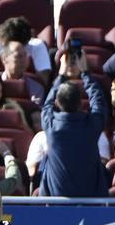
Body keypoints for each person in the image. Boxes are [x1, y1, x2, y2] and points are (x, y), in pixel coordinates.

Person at [39, 55, 110, 198]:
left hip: (57, 203)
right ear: (81, 103)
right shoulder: (92, 125)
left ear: (57, 103)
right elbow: (99, 101)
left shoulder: (50, 124)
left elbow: (47, 104)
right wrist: (85, 73)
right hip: (91, 203)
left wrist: (61, 74)